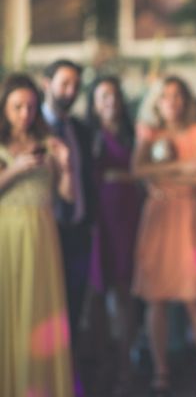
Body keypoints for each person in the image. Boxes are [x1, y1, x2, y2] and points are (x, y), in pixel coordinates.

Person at [132, 76, 196, 396]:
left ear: (187, 99)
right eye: (166, 96)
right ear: (156, 101)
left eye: (179, 95)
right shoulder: (149, 133)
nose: (173, 101)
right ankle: (160, 372)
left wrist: (160, 171)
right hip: (156, 219)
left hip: (189, 217)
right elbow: (136, 170)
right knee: (155, 298)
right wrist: (181, 169)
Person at [0, 75, 74, 396]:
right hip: (6, 234)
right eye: (17, 106)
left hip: (43, 235)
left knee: (39, 311)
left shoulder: (49, 143)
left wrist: (67, 165)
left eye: (31, 106)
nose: (25, 113)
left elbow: (67, 197)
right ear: (4, 108)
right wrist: (16, 168)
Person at [85, 76, 142, 393]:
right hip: (98, 221)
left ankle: (125, 365)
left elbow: (141, 171)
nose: (110, 100)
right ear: (93, 101)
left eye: (115, 94)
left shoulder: (132, 134)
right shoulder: (88, 135)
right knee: (95, 294)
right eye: (103, 95)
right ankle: (100, 363)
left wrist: (124, 175)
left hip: (128, 218)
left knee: (125, 292)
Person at [41, 59, 95, 345]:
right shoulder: (30, 129)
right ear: (46, 83)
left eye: (75, 85)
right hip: (43, 232)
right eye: (65, 83)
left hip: (79, 231)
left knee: (74, 307)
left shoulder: (80, 129)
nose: (71, 91)